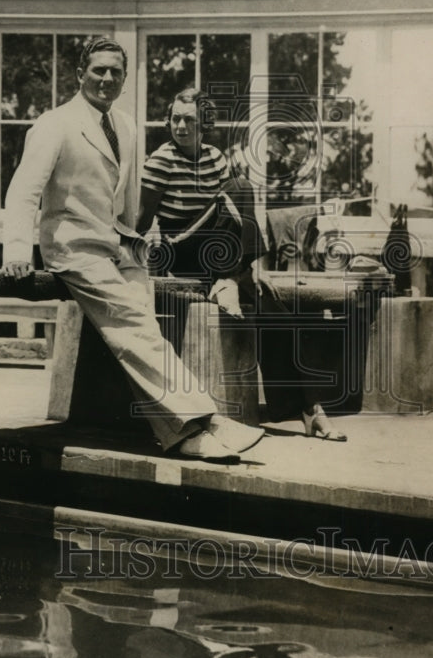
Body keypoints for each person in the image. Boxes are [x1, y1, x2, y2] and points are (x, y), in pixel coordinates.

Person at [2, 37, 264, 463]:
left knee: (142, 327)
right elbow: (22, 193)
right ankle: (204, 420)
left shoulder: (126, 126)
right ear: (79, 74)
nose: (107, 78)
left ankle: (178, 431)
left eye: (116, 72)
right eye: (99, 70)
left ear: (124, 80)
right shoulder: (55, 124)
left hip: (116, 247)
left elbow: (127, 204)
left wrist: (136, 243)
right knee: (131, 322)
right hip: (74, 249)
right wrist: (16, 250)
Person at [137, 87, 346, 442]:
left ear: (204, 123)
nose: (181, 126)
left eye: (189, 120)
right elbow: (142, 220)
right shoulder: (161, 161)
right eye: (175, 119)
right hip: (182, 251)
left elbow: (233, 218)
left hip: (218, 253)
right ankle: (231, 278)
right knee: (242, 185)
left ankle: (310, 411)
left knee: (274, 311)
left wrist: (253, 268)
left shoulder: (215, 157)